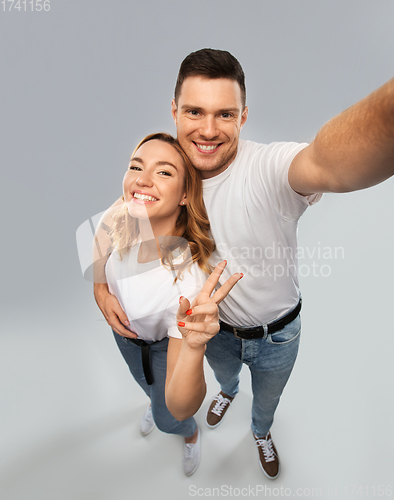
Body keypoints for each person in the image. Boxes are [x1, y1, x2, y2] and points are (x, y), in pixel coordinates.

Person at [94, 49, 394, 479]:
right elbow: (114, 219)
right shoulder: (163, 172)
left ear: (244, 116)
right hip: (214, 333)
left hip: (277, 334)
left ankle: (261, 430)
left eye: (226, 114)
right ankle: (228, 393)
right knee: (225, 379)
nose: (209, 130)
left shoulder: (266, 168)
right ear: (174, 110)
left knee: (267, 399)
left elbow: (328, 163)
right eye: (195, 111)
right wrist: (99, 286)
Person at [93, 132, 242, 476]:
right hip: (126, 336)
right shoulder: (125, 214)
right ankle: (152, 398)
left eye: (164, 172)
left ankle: (191, 435)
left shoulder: (186, 282)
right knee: (146, 387)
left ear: (186, 194)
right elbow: (101, 232)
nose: (141, 180)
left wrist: (193, 349)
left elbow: (181, 404)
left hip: (161, 348)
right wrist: (100, 290)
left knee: (168, 417)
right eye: (136, 167)